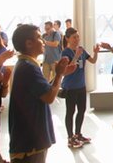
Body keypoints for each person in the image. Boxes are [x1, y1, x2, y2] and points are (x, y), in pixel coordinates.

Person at [9, 24, 73, 163]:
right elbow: (49, 97)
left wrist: (60, 74)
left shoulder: (25, 64)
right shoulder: (28, 67)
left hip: (28, 138)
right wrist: (59, 75)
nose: (43, 41)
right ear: (29, 43)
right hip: (30, 142)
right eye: (39, 37)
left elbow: (42, 91)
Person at [61, 27, 99, 148]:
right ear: (68, 39)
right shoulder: (65, 52)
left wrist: (96, 52)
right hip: (70, 87)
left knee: (81, 110)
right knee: (70, 111)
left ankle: (78, 134)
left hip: (81, 86)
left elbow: (92, 60)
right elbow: (66, 70)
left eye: (77, 36)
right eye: (74, 37)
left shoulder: (81, 50)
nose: (77, 39)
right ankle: (70, 137)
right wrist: (76, 56)